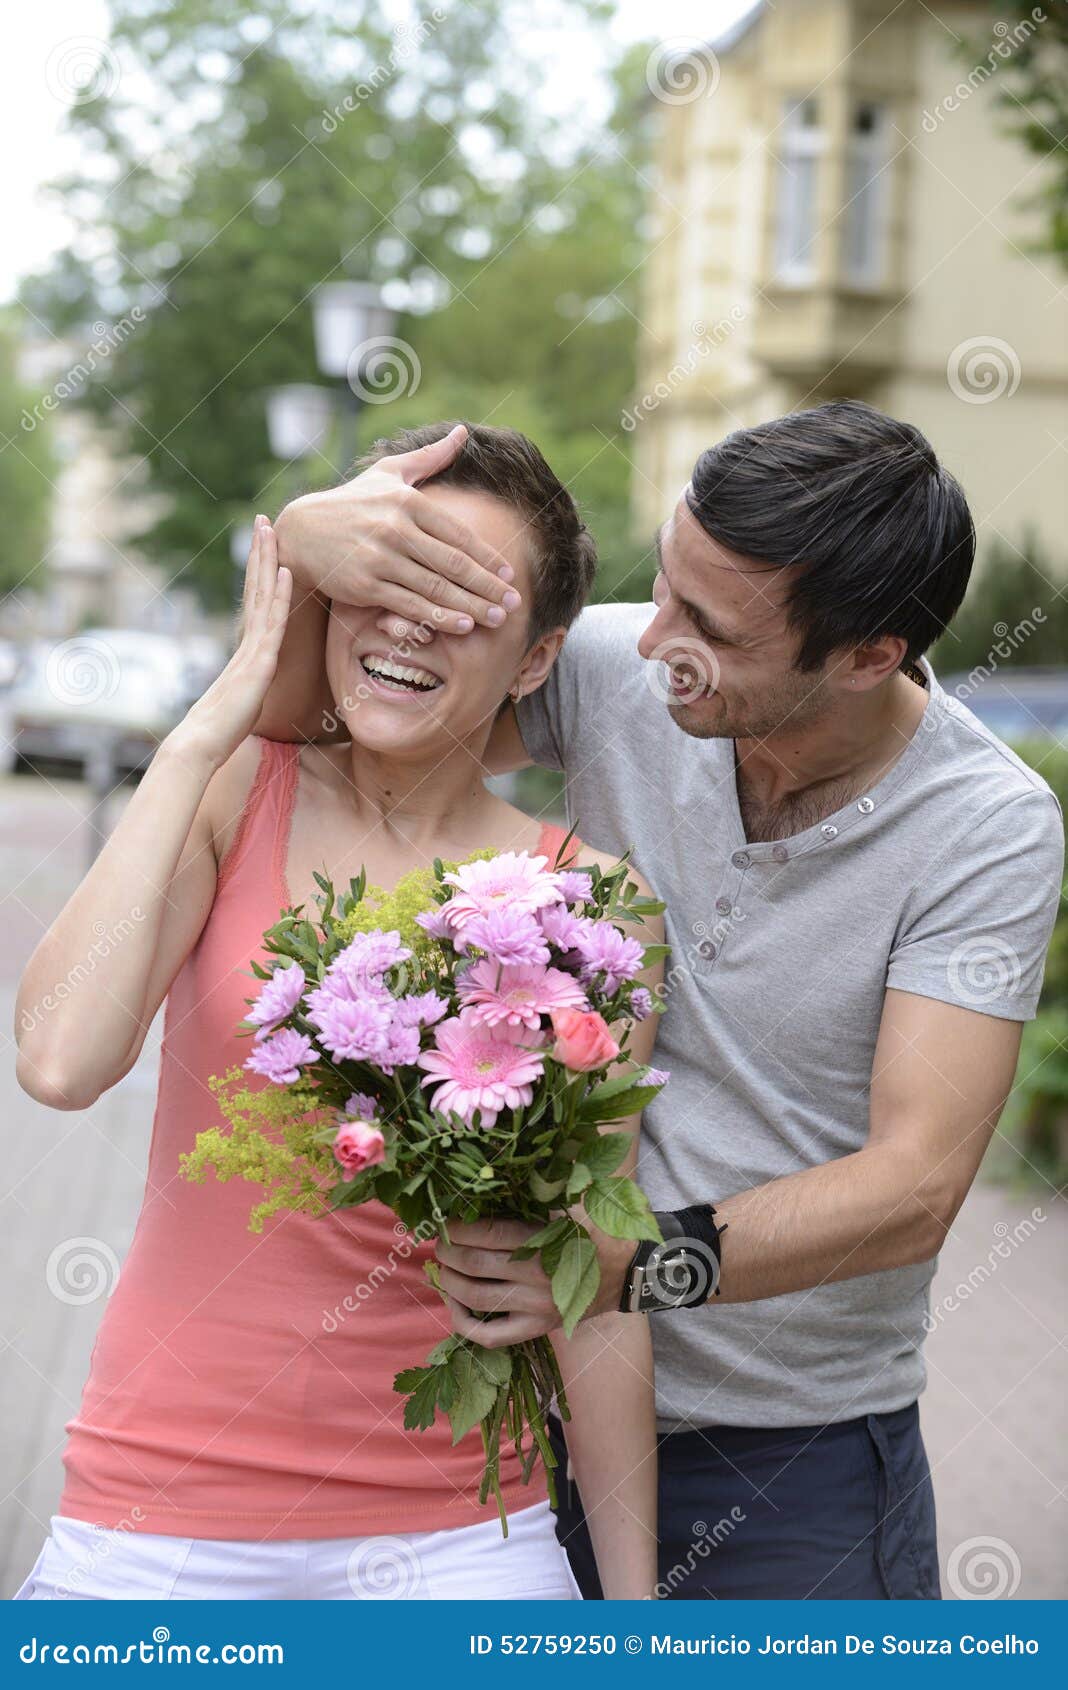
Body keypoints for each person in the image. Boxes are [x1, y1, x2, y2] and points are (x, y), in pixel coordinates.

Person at [256, 401, 1064, 1600]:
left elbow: (916, 1186)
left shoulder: (984, 831)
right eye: (666, 587)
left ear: (867, 655)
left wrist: (617, 1266)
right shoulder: (619, 675)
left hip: (788, 1459)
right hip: (522, 1427)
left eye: (709, 626)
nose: (649, 641)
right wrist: (305, 554)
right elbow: (318, 732)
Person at [13, 424, 661, 1602]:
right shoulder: (233, 790)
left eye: (461, 600)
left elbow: (595, 1282)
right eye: (384, 578)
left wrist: (630, 1611)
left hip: (463, 1536)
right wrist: (217, 714)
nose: (410, 621)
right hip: (159, 1514)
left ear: (535, 658)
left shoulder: (594, 902)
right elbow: (59, 1058)